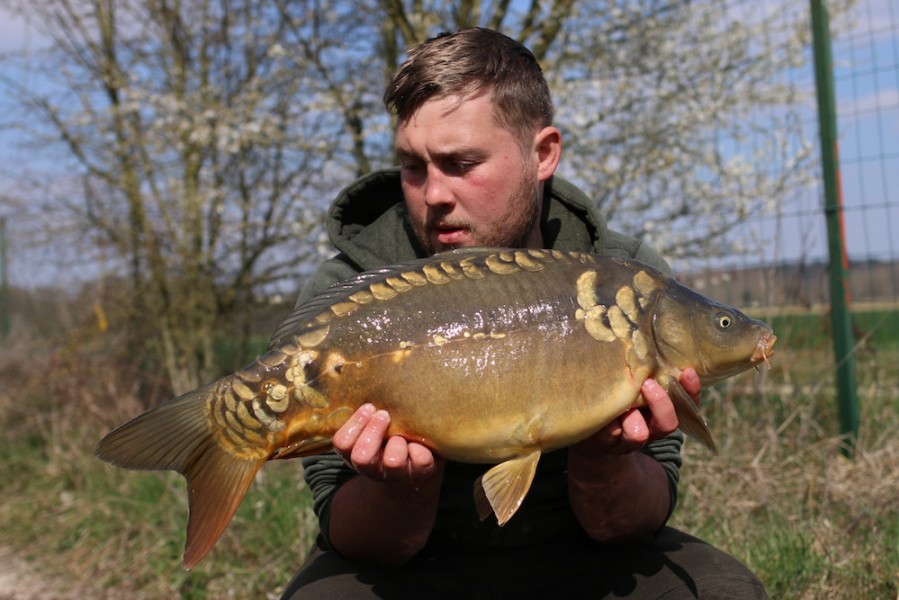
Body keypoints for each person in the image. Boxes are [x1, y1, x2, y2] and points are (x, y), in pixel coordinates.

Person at [280, 27, 767, 599]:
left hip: (580, 554)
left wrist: (602, 464)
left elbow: (635, 525)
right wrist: (400, 488)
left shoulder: (630, 284)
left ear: (543, 154)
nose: (434, 194)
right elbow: (350, 535)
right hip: (410, 569)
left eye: (461, 163)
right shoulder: (348, 295)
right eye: (414, 166)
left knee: (722, 592)